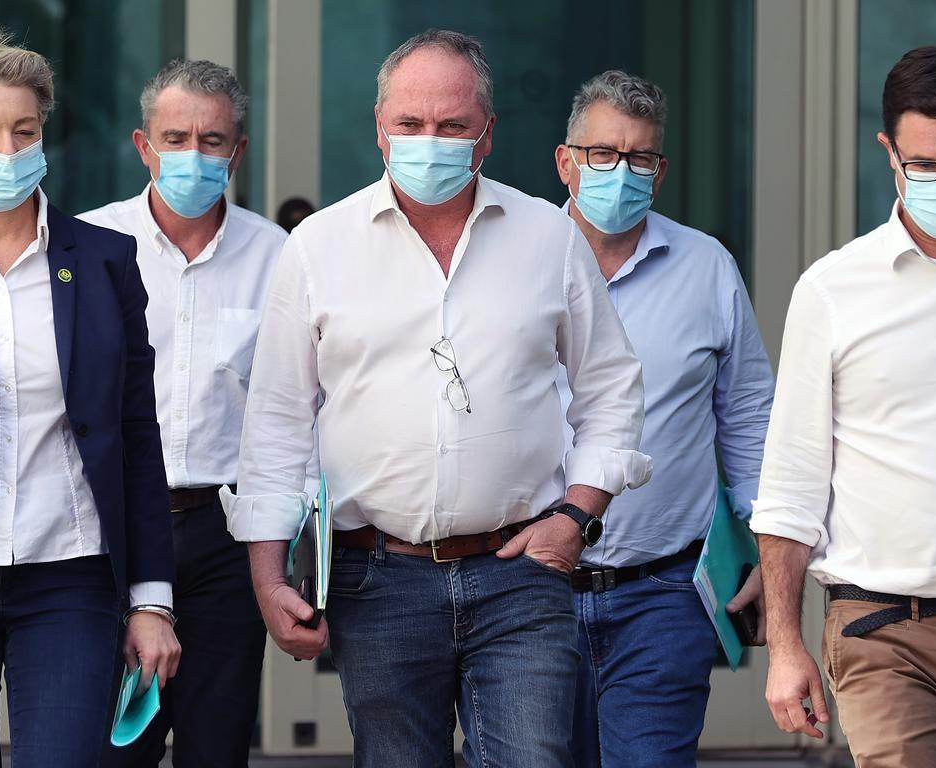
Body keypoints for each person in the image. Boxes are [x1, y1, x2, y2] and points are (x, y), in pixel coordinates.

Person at [226, 29, 651, 768]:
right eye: (411, 124)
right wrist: (267, 578)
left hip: (522, 571)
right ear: (380, 129)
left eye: (453, 126)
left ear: (486, 136)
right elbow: (277, 423)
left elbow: (612, 389)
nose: (431, 141)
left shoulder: (549, 238)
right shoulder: (319, 248)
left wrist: (577, 515)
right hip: (376, 578)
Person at [0, 25, 179, 768]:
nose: (7, 151)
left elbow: (137, 437)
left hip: (70, 576)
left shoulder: (105, 260)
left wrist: (151, 600)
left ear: (44, 136)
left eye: (24, 130)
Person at [751, 46, 936, 768]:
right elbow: (790, 488)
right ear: (889, 152)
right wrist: (785, 647)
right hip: (882, 628)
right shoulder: (834, 291)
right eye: (925, 165)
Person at [554, 70, 774, 768]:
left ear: (661, 170)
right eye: (602, 154)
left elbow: (746, 414)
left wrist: (772, 548)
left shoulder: (705, 266)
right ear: (566, 161)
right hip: (526, 595)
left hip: (663, 592)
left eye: (640, 157)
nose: (621, 172)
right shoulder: (514, 259)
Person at [79, 59, 285, 768]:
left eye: (213, 140)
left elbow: (295, 411)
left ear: (238, 150)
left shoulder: (281, 258)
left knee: (217, 746)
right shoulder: (89, 247)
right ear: (143, 146)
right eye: (176, 138)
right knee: (110, 746)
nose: (193, 157)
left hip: (227, 536)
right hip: (114, 533)